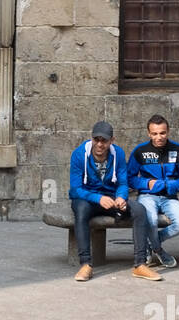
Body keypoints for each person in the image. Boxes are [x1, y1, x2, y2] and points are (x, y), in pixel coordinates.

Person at [68, 120, 160, 282]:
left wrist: (121, 197)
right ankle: (86, 264)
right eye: (96, 139)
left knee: (139, 210)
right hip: (87, 198)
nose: (99, 144)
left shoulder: (117, 154)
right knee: (81, 210)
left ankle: (140, 264)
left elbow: (123, 183)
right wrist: (98, 198)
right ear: (91, 139)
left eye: (104, 140)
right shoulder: (79, 154)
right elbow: (75, 189)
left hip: (110, 198)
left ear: (112, 140)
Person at [127, 114, 179, 269]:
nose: (159, 137)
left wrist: (170, 186)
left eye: (162, 133)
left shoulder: (178, 150)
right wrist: (148, 183)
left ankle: (151, 243)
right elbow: (130, 178)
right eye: (154, 133)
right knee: (151, 221)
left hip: (170, 197)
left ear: (168, 131)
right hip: (147, 196)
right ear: (149, 134)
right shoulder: (140, 151)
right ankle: (159, 250)